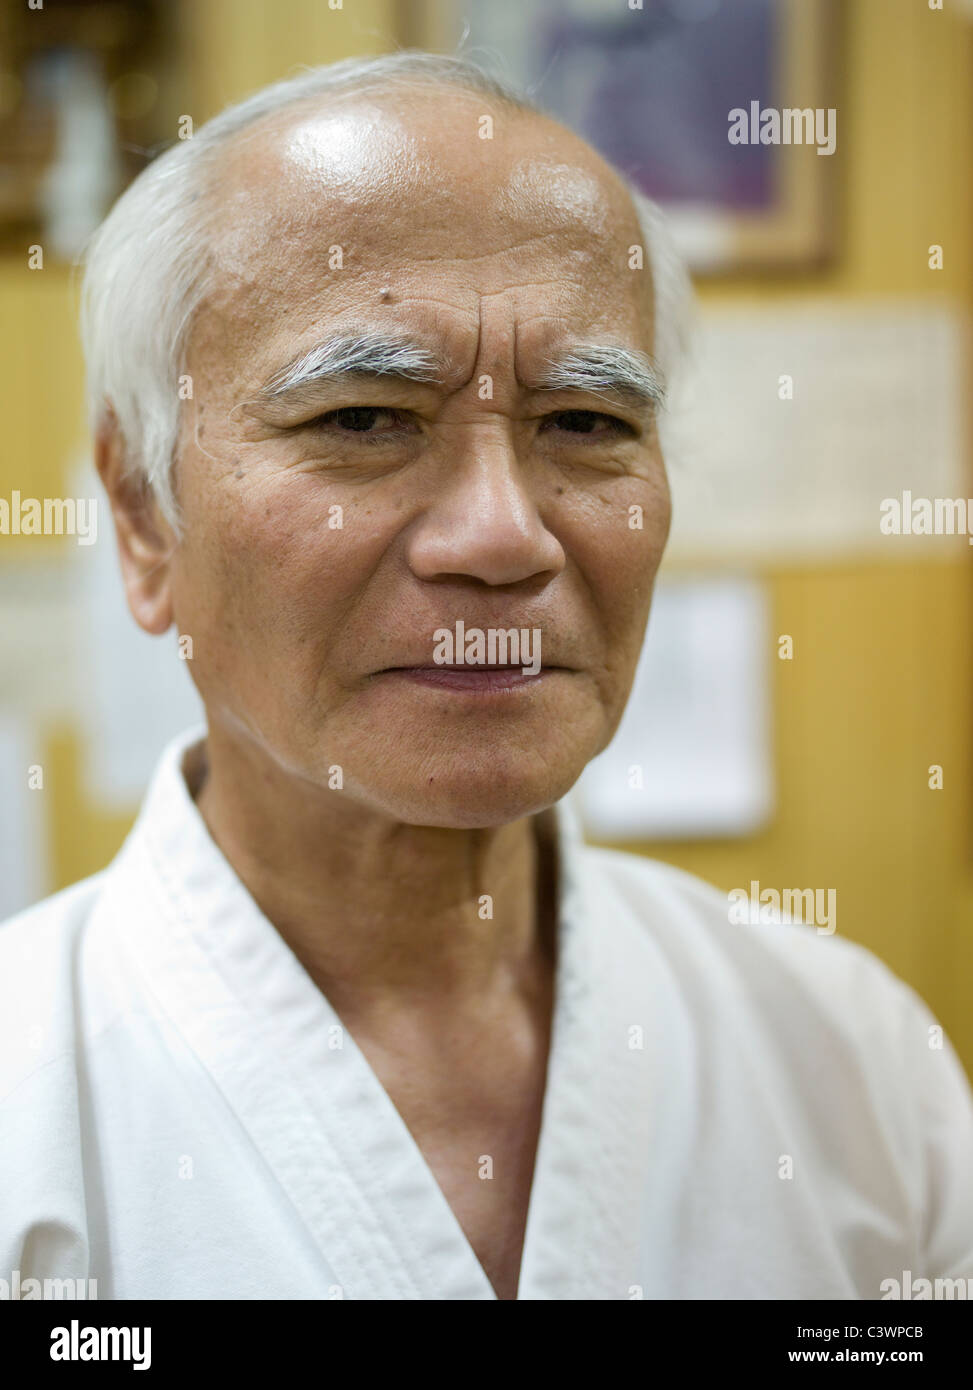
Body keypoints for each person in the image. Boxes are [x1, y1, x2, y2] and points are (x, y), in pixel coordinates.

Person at [1, 52, 971, 1302]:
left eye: (584, 424)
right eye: (361, 419)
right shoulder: (30, 1095)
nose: (504, 536)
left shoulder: (851, 1057)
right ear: (142, 514)